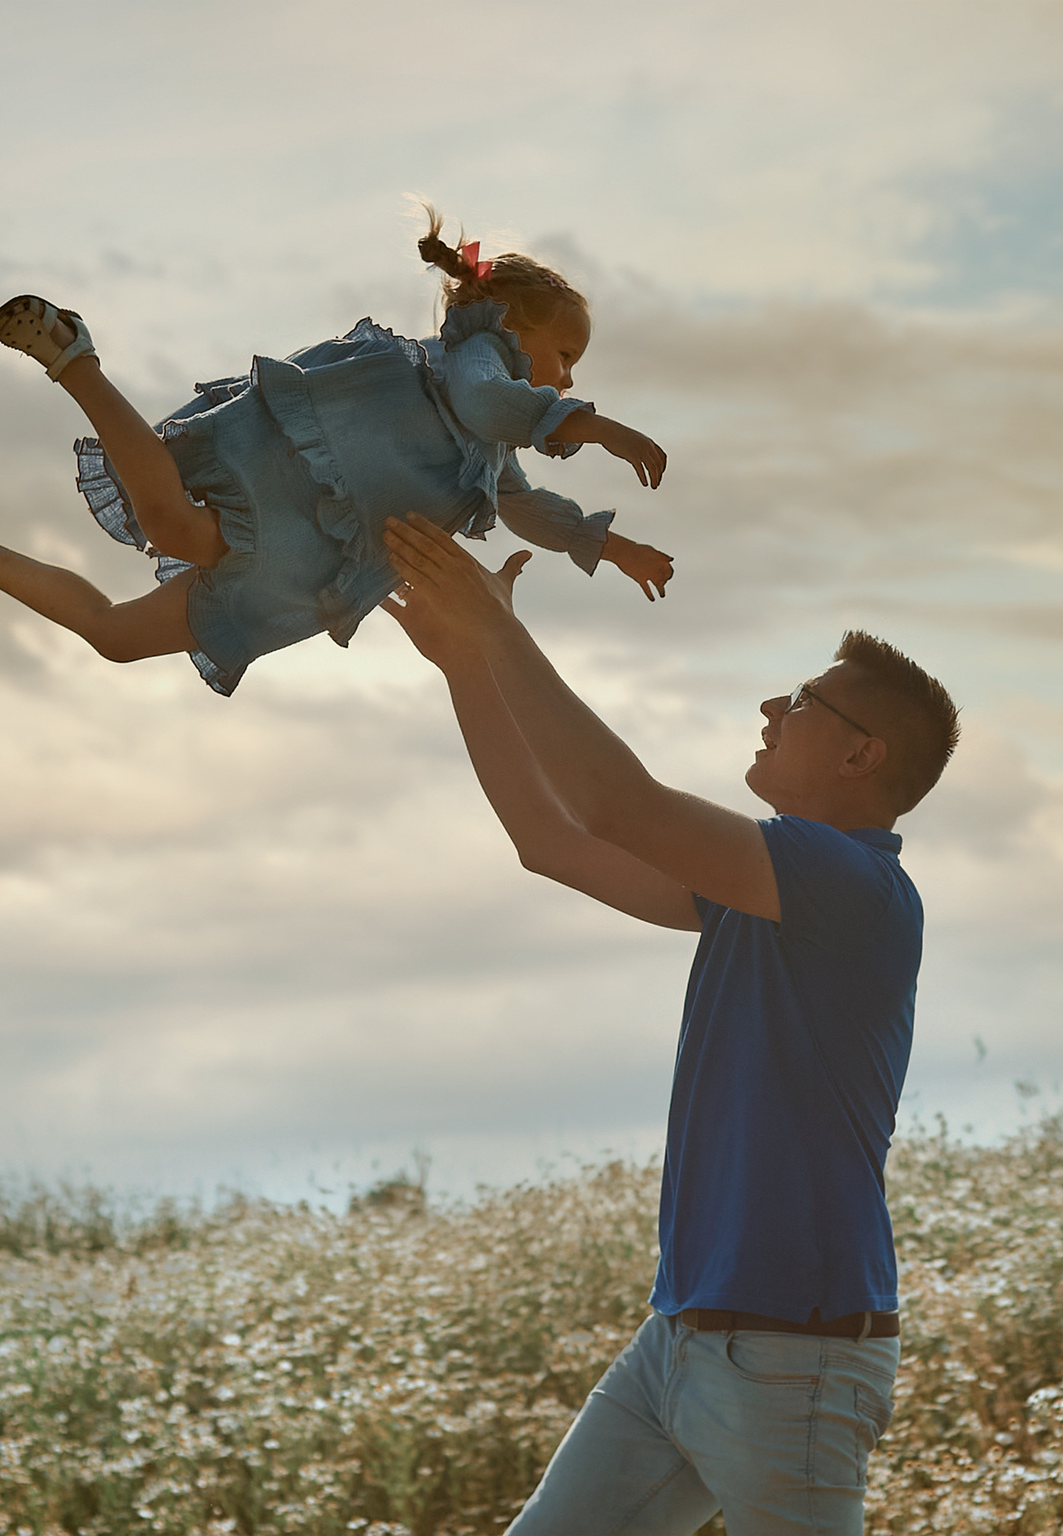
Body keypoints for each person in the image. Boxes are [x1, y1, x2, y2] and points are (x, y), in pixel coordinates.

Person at [377, 514, 960, 1536]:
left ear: (862, 755)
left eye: (804, 700)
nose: (771, 706)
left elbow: (614, 803)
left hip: (796, 1356)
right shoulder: (756, 891)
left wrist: (496, 633)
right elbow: (550, 839)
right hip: (678, 1341)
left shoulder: (848, 882)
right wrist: (469, 661)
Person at [0, 207, 676, 697]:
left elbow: (527, 504)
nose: (567, 375)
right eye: (564, 353)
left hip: (305, 557)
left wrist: (604, 543)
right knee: (174, 527)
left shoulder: (487, 458)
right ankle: (73, 356)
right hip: (299, 476)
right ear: (507, 320)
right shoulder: (472, 362)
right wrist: (593, 425)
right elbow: (490, 400)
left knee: (115, 636)